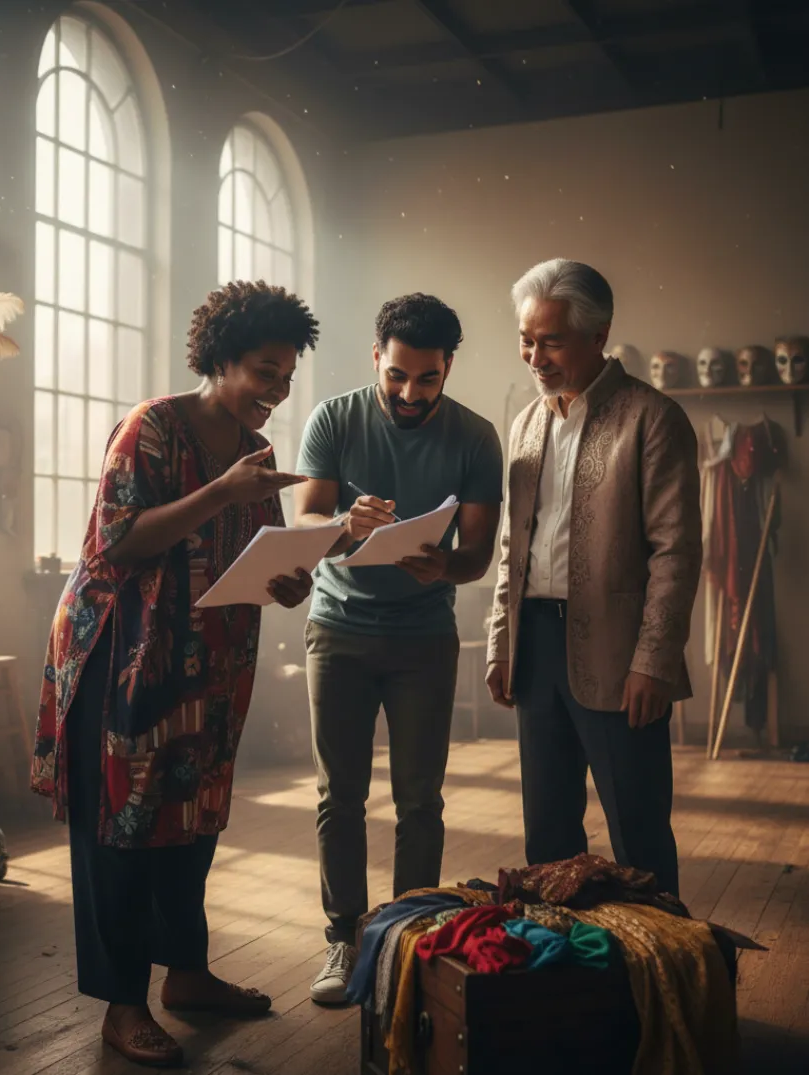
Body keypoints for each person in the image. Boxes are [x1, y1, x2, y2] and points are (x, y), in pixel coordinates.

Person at [31, 281, 319, 1068]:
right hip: (125, 655)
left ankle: (186, 974)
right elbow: (116, 545)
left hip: (211, 663)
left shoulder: (255, 454)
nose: (277, 390)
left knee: (194, 816)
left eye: (286, 376)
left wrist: (289, 579)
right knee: (121, 826)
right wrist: (220, 491)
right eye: (265, 371)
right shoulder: (150, 428)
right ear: (220, 360)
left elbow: (256, 554)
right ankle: (122, 1004)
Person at [293, 293, 504, 1004]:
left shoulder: (476, 438)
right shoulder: (334, 418)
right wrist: (344, 525)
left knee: (420, 799)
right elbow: (306, 519)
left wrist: (442, 565)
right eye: (397, 377)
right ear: (376, 359)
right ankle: (341, 938)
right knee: (339, 794)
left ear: (449, 368)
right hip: (338, 630)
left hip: (423, 635)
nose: (409, 393)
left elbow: (476, 555)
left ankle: (411, 941)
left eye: (427, 379)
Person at [486, 257, 702, 899]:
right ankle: (569, 983)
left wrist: (654, 662)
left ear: (599, 334)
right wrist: (503, 641)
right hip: (536, 653)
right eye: (526, 339)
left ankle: (662, 988)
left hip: (621, 655)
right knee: (547, 837)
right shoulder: (526, 422)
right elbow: (511, 545)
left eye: (551, 340)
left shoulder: (653, 418)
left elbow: (676, 551)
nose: (534, 356)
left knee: (638, 832)